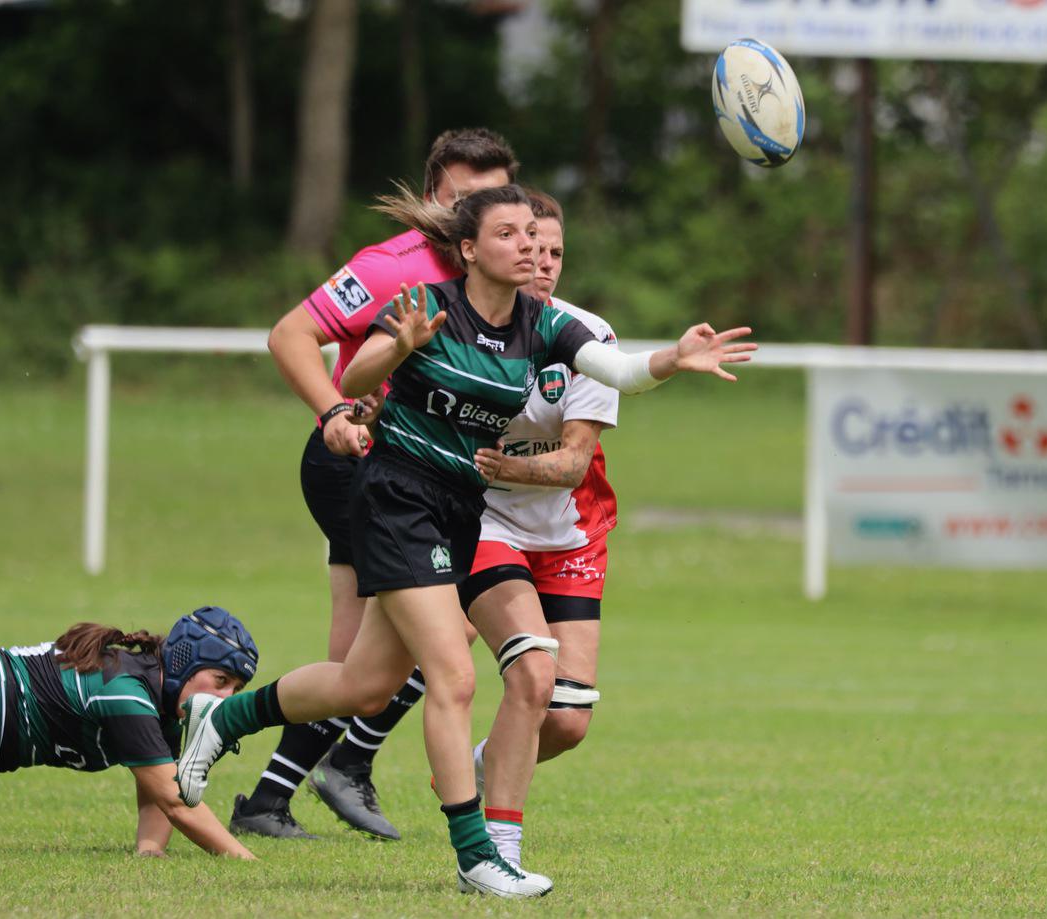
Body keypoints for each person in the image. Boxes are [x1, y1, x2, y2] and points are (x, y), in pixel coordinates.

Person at [172, 183, 757, 898]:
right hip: (394, 498)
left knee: (365, 684)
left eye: (536, 237)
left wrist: (674, 357)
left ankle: (222, 715)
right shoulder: (428, 306)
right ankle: (477, 856)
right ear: (472, 249)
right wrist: (398, 347)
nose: (530, 248)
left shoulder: (542, 326)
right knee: (453, 675)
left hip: (458, 509)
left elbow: (621, 372)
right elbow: (350, 378)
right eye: (509, 235)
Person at [240, 128, 519, 842]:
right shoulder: (393, 267)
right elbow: (289, 334)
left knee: (358, 663)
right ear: (434, 197)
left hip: (418, 470)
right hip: (360, 461)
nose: (475, 215)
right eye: (463, 199)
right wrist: (332, 408)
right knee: (442, 637)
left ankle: (268, 795)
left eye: (492, 199)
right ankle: (349, 764)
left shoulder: (494, 277)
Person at [455, 189, 619, 867]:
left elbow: (576, 461)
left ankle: (488, 758)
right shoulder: (461, 327)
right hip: (483, 520)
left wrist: (501, 464)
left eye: (553, 250)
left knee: (569, 719)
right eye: (529, 244)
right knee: (531, 674)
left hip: (568, 530)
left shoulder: (587, 336)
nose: (541, 259)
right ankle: (498, 849)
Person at [0, 606, 259, 858]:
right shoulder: (125, 692)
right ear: (184, 663)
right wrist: (245, 860)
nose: (224, 697)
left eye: (235, 689)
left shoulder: (161, 709)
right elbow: (175, 801)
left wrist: (150, 850)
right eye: (220, 680)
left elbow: (158, 790)